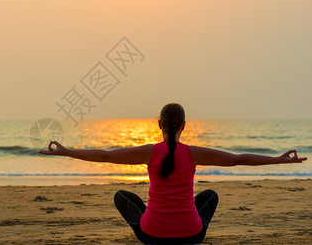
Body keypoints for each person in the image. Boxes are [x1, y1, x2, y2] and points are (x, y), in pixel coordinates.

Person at [39, 103, 307, 244]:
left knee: (122, 195)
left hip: (151, 235)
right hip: (191, 235)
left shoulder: (149, 152)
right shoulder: (193, 153)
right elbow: (238, 160)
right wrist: (279, 160)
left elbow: (105, 155)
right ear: (184, 126)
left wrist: (66, 151)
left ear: (159, 125)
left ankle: (157, 228)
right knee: (210, 196)